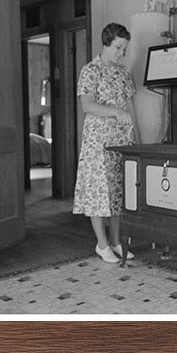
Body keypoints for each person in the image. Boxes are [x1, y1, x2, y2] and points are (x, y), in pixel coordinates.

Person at [72, 23, 141, 263]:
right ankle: (102, 245)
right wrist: (113, 112)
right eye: (119, 47)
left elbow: (131, 108)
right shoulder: (90, 70)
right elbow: (87, 105)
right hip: (98, 141)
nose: (122, 53)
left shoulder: (123, 73)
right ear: (106, 43)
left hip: (122, 140)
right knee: (99, 193)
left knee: (118, 193)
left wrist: (137, 140)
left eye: (125, 48)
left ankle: (117, 242)